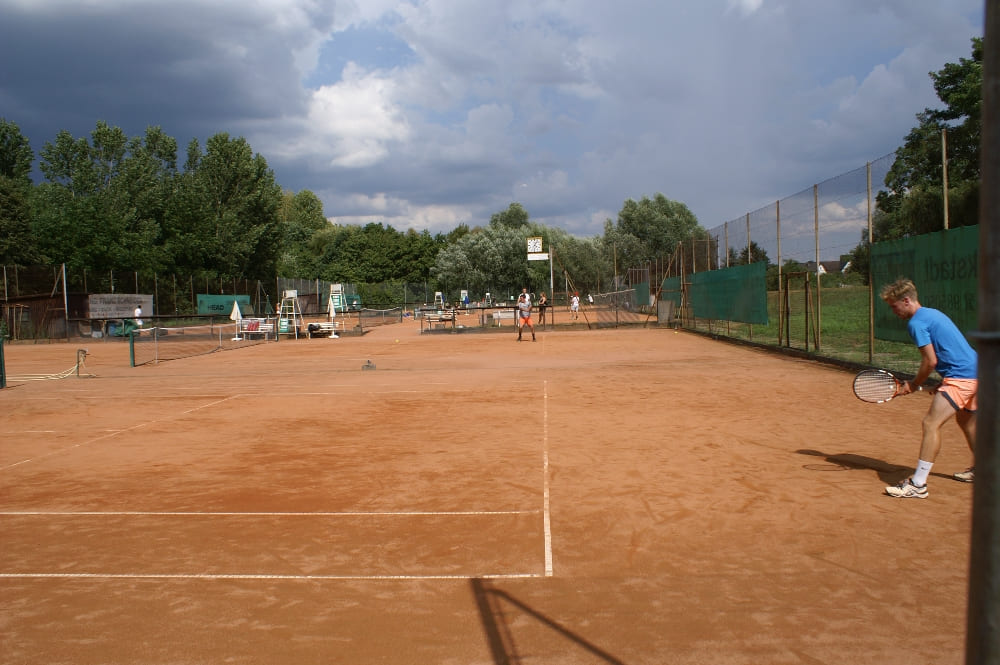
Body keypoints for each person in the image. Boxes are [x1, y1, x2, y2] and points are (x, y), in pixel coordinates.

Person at [879, 278, 977, 499]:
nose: (893, 311)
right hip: (977, 370)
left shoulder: (916, 323)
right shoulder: (932, 313)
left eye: (894, 306)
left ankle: (918, 484)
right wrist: (943, 381)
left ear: (906, 301)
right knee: (966, 420)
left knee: (931, 423)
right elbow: (952, 349)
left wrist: (914, 385)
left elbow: (930, 362)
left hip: (962, 377)